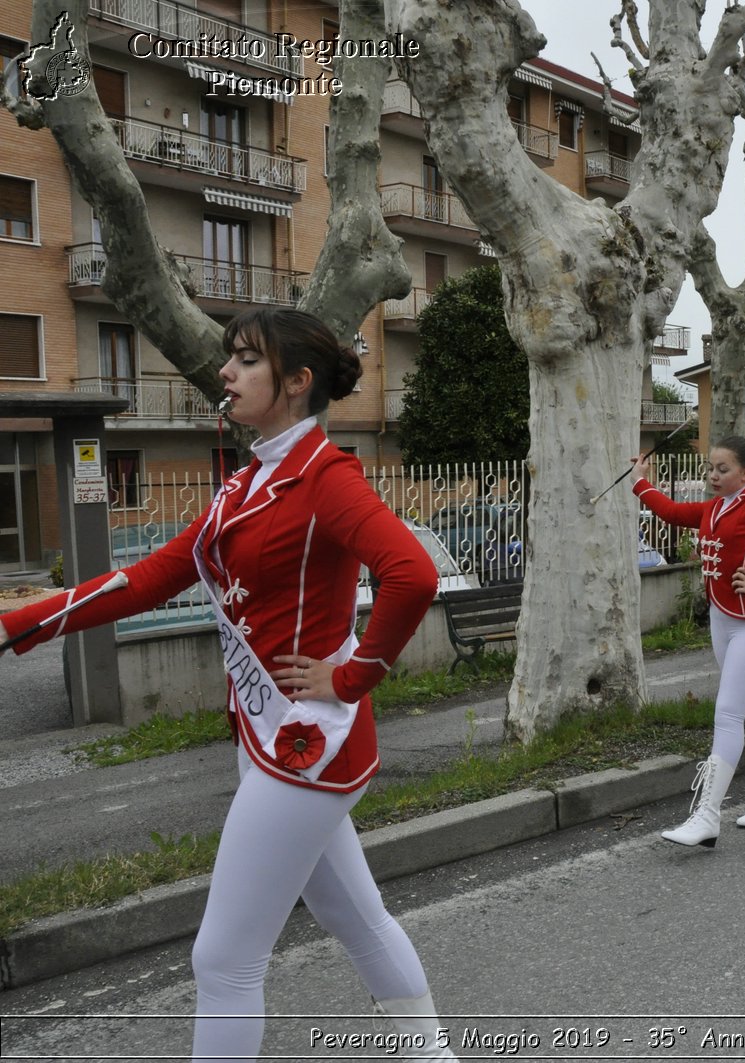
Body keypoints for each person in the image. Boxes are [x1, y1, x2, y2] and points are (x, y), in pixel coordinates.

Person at [1, 308, 456, 1061]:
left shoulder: (326, 477)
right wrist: (21, 622)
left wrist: (351, 675)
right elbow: (148, 578)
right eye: (231, 358)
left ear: (297, 381)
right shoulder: (247, 482)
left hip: (309, 744)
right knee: (358, 917)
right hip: (268, 733)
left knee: (223, 959)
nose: (226, 372)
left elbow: (413, 572)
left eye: (246, 359)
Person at [629, 436, 745, 846]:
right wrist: (641, 481)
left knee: (728, 712)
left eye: (723, 469)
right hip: (722, 618)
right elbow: (674, 512)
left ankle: (707, 815)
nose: (713, 475)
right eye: (710, 468)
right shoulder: (715, 507)